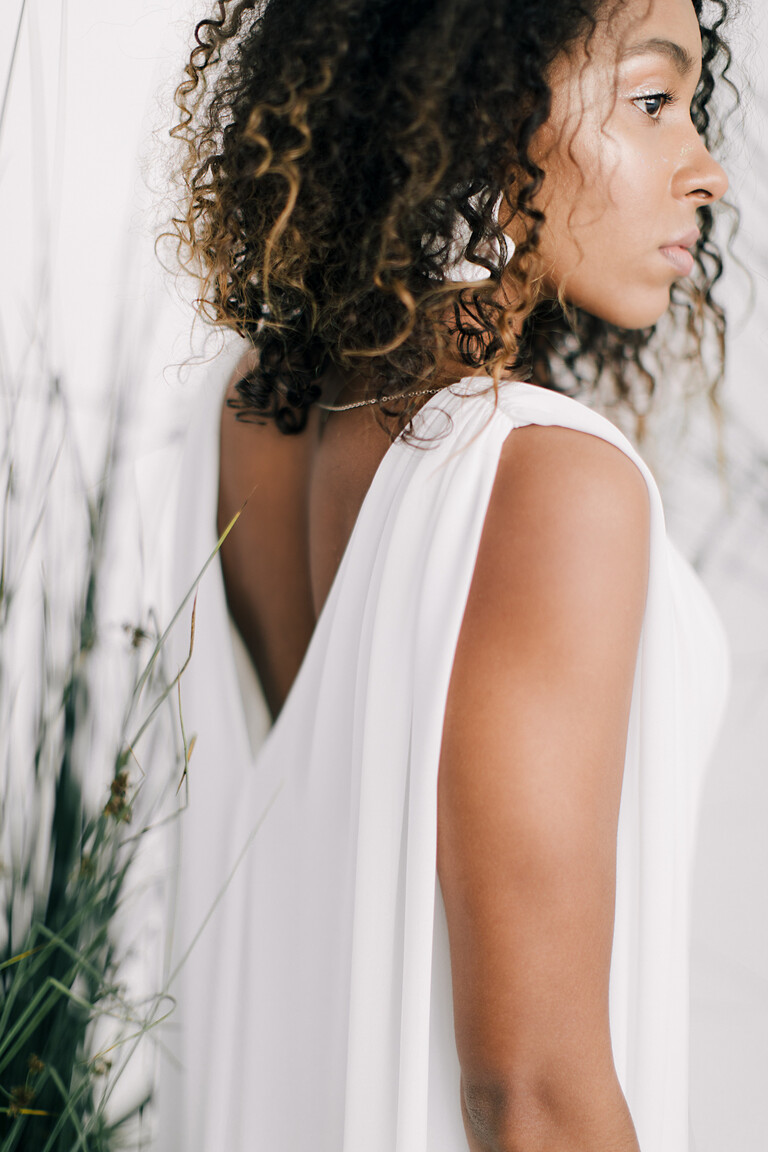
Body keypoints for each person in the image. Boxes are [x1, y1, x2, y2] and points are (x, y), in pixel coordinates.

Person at [156, 1, 734, 1149]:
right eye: (652, 100)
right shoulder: (547, 481)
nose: (705, 168)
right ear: (479, 108)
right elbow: (531, 1093)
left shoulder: (248, 411)